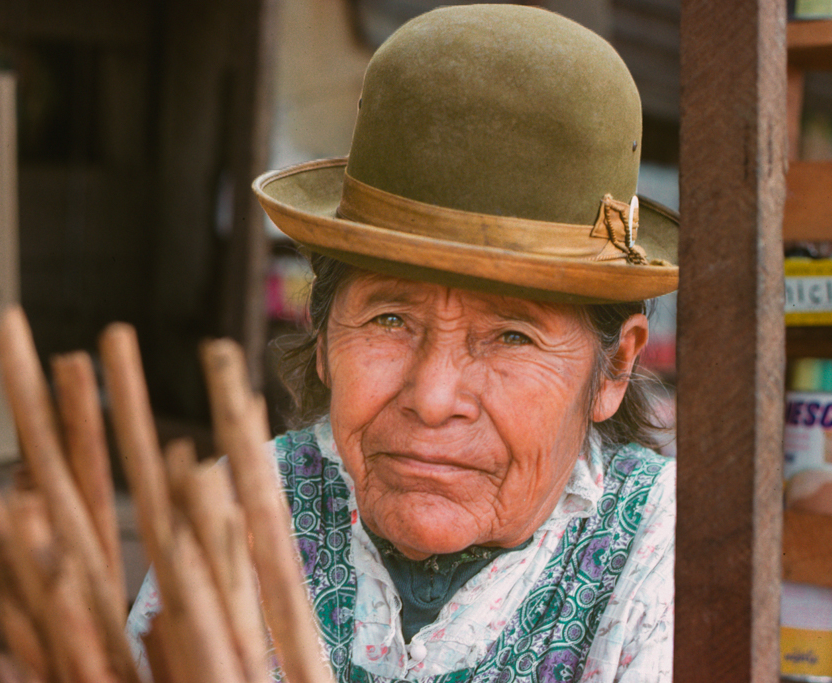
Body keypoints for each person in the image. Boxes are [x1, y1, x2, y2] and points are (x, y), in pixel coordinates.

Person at [128, 4, 679, 682]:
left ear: (614, 367)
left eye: (511, 335)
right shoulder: (236, 514)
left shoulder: (666, 552)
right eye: (390, 319)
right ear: (324, 333)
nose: (434, 398)